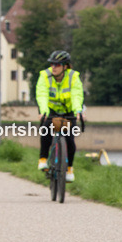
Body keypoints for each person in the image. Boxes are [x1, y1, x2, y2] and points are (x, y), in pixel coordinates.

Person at [35, 50, 85, 182]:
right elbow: (42, 94)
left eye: (57, 65)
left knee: (69, 140)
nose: (53, 67)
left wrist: (77, 111)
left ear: (65, 66)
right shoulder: (44, 75)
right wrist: (44, 111)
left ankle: (69, 168)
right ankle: (43, 159)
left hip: (68, 112)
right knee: (46, 130)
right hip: (51, 111)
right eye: (52, 64)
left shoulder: (73, 77)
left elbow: (76, 95)